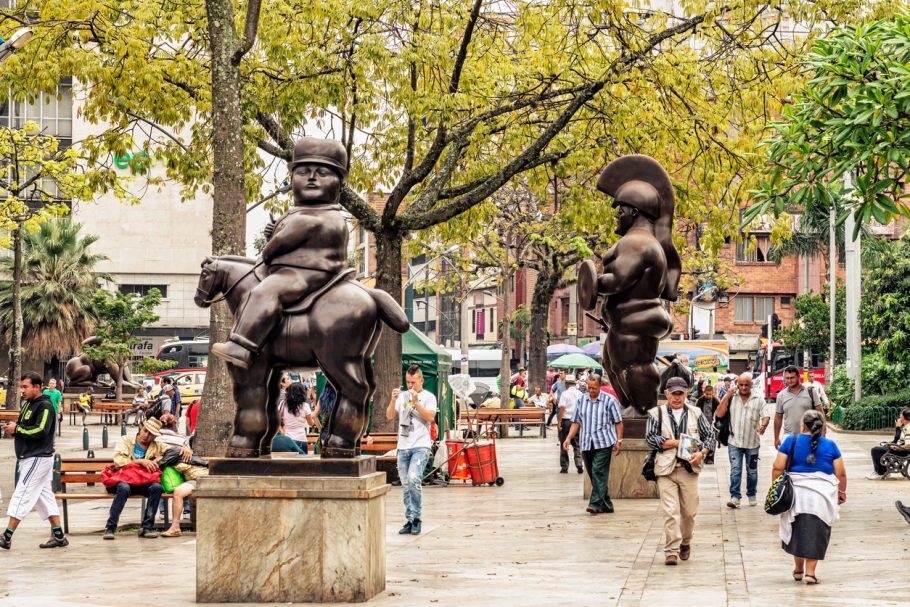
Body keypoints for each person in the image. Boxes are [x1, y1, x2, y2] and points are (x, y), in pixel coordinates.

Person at [210, 137, 350, 369]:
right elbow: (288, 238)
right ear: (293, 177)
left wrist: (269, 248)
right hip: (298, 269)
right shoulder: (303, 212)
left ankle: (241, 346)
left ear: (339, 182)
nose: (312, 177)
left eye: (322, 172)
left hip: (306, 274)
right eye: (304, 171)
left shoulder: (312, 217)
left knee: (262, 292)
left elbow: (278, 245)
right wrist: (272, 231)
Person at [645, 376, 715, 566]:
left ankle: (685, 542)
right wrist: (676, 443)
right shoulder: (655, 414)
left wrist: (703, 452)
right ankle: (671, 551)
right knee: (670, 512)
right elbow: (650, 439)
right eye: (673, 393)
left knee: (689, 513)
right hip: (665, 469)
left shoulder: (696, 413)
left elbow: (710, 436)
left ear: (687, 394)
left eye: (680, 394)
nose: (676, 397)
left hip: (689, 469)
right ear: (666, 394)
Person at [772, 410, 847, 585]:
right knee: (815, 533)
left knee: (796, 530)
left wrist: (776, 487)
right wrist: (842, 492)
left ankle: (798, 570)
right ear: (821, 427)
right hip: (822, 497)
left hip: (795, 496)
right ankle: (810, 574)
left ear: (803, 425)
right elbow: (841, 473)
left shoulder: (791, 440)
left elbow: (778, 467)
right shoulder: (830, 445)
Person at [0, 373, 68, 550]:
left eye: (25, 387)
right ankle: (59, 535)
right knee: (43, 496)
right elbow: (24, 425)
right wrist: (15, 428)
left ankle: (6, 536)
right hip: (29, 457)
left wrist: (17, 429)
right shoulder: (28, 404)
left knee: (22, 493)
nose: (22, 390)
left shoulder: (45, 406)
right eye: (21, 387)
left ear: (37, 387)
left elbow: (41, 430)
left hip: (38, 457)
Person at [386, 364, 437, 536]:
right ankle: (409, 519)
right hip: (403, 445)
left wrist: (416, 403)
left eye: (413, 382)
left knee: (414, 478)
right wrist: (393, 399)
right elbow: (389, 416)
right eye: (408, 382)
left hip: (421, 445)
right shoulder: (402, 397)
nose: (410, 386)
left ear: (421, 381)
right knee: (406, 484)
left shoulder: (428, 397)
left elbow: (430, 417)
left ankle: (417, 518)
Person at [562, 374, 623, 514]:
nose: (591, 390)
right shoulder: (581, 400)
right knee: (594, 475)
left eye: (594, 388)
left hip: (604, 443)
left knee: (598, 471)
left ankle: (595, 504)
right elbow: (576, 421)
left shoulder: (610, 400)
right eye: (588, 388)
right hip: (586, 443)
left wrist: (619, 440)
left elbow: (618, 422)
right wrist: (568, 438)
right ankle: (607, 505)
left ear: (600, 385)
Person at [104, 417, 166, 540]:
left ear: (155, 437)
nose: (146, 435)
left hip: (143, 482)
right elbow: (118, 461)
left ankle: (147, 527)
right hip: (124, 480)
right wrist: (140, 461)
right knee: (123, 488)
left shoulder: (157, 446)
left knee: (157, 488)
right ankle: (110, 527)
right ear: (140, 428)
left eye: (151, 434)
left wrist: (185, 447)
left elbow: (174, 451)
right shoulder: (126, 440)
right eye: (145, 431)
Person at [715, 373, 770, 508]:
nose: (744, 387)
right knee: (735, 470)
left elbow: (766, 415)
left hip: (752, 443)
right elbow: (719, 414)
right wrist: (727, 395)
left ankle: (751, 494)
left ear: (751, 385)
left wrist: (763, 426)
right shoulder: (732, 397)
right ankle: (735, 497)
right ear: (737, 384)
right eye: (741, 385)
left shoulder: (759, 399)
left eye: (746, 385)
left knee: (752, 472)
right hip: (734, 441)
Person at [157, 414, 205, 538]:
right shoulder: (181, 443)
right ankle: (175, 527)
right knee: (178, 491)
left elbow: (160, 465)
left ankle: (175, 526)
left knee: (178, 491)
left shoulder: (172, 451)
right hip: (195, 478)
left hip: (200, 478)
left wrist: (156, 460)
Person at [774, 365, 825, 449]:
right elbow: (778, 417)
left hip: (809, 436)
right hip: (788, 436)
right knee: (786, 462)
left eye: (792, 378)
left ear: (798, 376)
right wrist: (776, 438)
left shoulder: (811, 392)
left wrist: (822, 433)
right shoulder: (781, 395)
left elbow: (820, 413)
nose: (789, 381)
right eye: (787, 378)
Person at [866, 409, 910, 480]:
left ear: (905, 418)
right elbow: (897, 441)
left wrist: (896, 447)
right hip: (901, 450)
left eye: (900, 417)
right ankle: (881, 471)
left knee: (875, 450)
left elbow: (908, 445)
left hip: (902, 451)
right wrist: (890, 444)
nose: (898, 419)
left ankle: (880, 473)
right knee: (880, 449)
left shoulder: (908, 428)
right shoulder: (906, 427)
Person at [281, 381, 319, 453]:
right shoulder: (305, 406)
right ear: (302, 393)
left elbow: (276, 420)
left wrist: (282, 431)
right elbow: (310, 423)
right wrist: (313, 419)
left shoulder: (283, 404)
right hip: (301, 439)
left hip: (287, 439)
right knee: (302, 463)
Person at [557, 374, 584, 474]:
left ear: (566, 383)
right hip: (577, 421)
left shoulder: (565, 394)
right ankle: (579, 464)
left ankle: (564, 467)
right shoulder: (580, 394)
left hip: (566, 421)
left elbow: (562, 408)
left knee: (564, 443)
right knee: (577, 444)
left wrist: (559, 421)